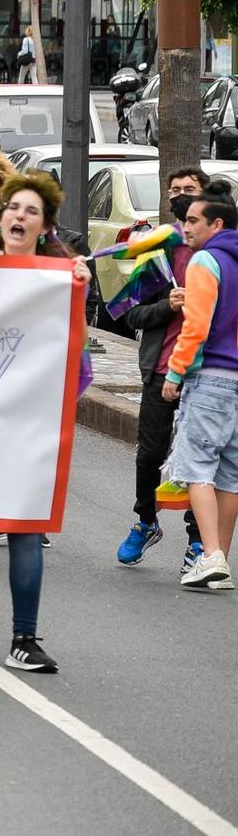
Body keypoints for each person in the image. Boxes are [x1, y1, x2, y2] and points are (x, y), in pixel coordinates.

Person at [0, 173, 87, 671]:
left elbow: (78, 360)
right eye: (13, 208)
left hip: (30, 425)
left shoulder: (61, 278)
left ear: (45, 225)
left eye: (31, 211)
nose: (19, 216)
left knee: (25, 528)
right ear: (1, 218)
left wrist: (75, 290)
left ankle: (25, 637)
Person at [117, 167, 210, 569]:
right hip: (160, 369)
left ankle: (197, 541)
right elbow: (127, 312)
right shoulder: (159, 252)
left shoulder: (220, 253)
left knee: (200, 459)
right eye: (175, 192)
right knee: (150, 454)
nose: (181, 199)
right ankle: (145, 521)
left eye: (190, 192)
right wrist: (164, 306)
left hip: (209, 373)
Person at [163, 189, 238, 593]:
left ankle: (210, 556)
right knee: (231, 475)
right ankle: (220, 556)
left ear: (217, 225)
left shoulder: (205, 261)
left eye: (193, 221)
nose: (185, 227)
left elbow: (196, 325)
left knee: (197, 467)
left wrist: (175, 374)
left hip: (211, 377)